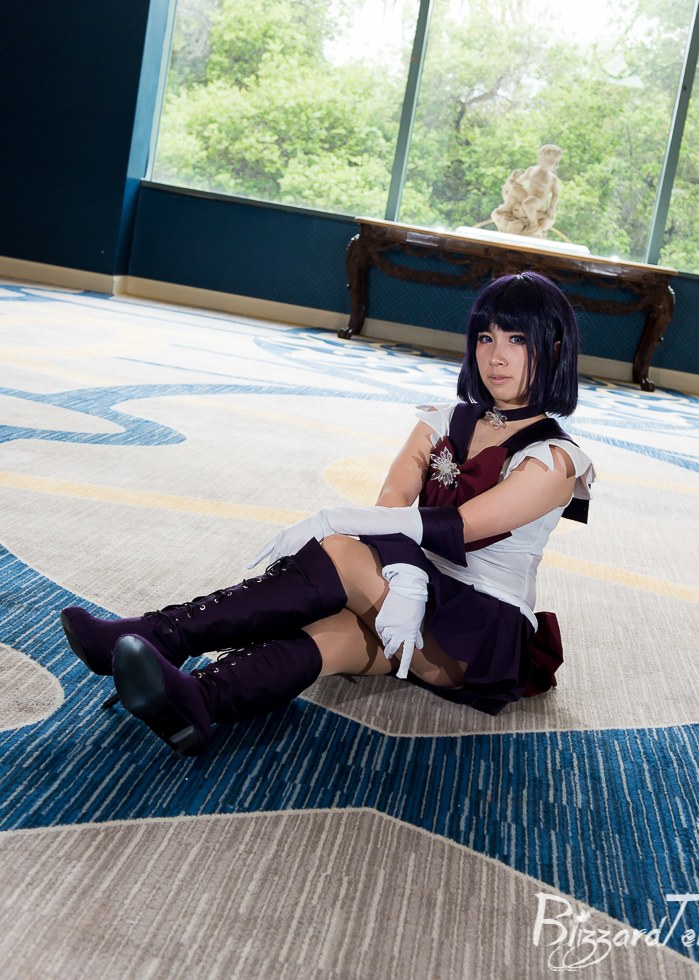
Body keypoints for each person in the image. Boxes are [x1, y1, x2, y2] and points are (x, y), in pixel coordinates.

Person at [60, 272, 595, 757]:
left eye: (516, 340)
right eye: (486, 338)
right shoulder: (443, 419)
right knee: (332, 631)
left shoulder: (555, 459)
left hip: (477, 630)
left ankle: (161, 634)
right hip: (406, 599)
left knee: (341, 549)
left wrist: (338, 522)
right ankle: (201, 700)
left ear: (552, 349)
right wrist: (405, 576)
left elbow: (460, 527)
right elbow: (392, 503)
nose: (496, 357)